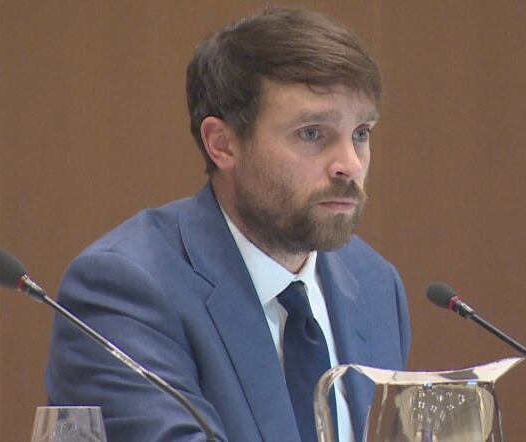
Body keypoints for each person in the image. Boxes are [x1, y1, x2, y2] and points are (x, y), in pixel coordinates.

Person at [45, 6, 410, 442]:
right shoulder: (126, 289)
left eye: (361, 133)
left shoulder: (374, 285)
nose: (350, 165)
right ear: (223, 143)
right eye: (312, 134)